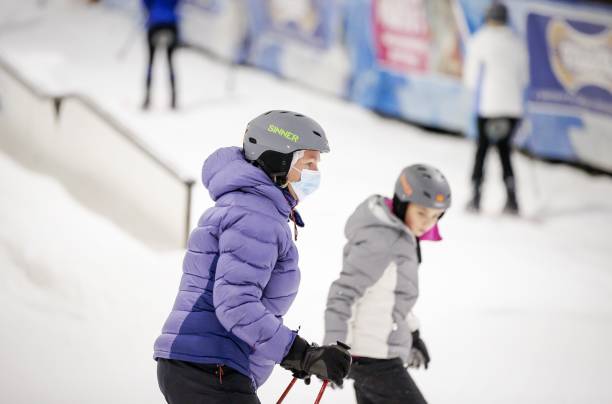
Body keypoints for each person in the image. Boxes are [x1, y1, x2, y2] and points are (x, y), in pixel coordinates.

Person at [153, 110, 352, 403]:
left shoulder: (252, 208)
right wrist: (301, 354)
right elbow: (236, 303)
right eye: (308, 163)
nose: (315, 174)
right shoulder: (255, 215)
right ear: (279, 159)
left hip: (204, 365)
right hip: (209, 367)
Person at [324, 164, 452, 404]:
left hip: (377, 353)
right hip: (373, 357)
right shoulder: (382, 241)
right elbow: (343, 294)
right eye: (422, 213)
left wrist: (412, 333)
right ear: (403, 203)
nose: (428, 223)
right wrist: (334, 349)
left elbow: (396, 295)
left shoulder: (402, 237)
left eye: (436, 216)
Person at [463, 2, 528, 214]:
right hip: (512, 108)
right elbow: (524, 78)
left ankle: (476, 196)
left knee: (482, 151)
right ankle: (512, 199)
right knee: (504, 152)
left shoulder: (480, 40)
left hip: (487, 106)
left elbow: (471, 78)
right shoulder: (516, 43)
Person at [142, 0, 180, 110]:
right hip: (171, 24)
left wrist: (152, 12)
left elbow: (145, 3)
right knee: (170, 61)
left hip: (155, 24)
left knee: (150, 61)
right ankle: (174, 98)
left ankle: (147, 97)